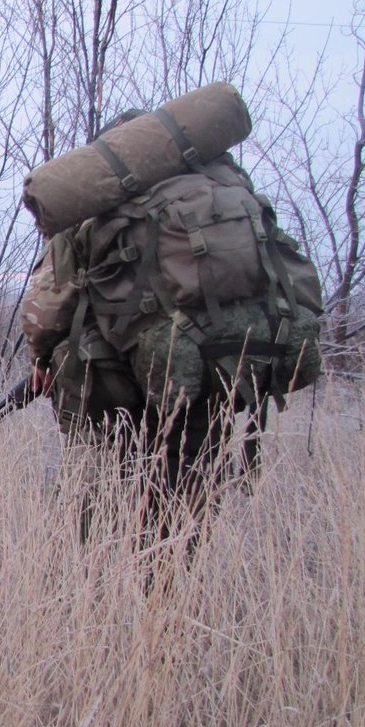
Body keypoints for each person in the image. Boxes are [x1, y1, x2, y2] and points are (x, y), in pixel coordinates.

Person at [20, 107, 322, 545]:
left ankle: (90, 590)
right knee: (188, 492)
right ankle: (169, 592)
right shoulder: (225, 190)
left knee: (99, 493)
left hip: (116, 382)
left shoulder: (96, 201)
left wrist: (42, 359)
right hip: (214, 371)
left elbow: (46, 311)